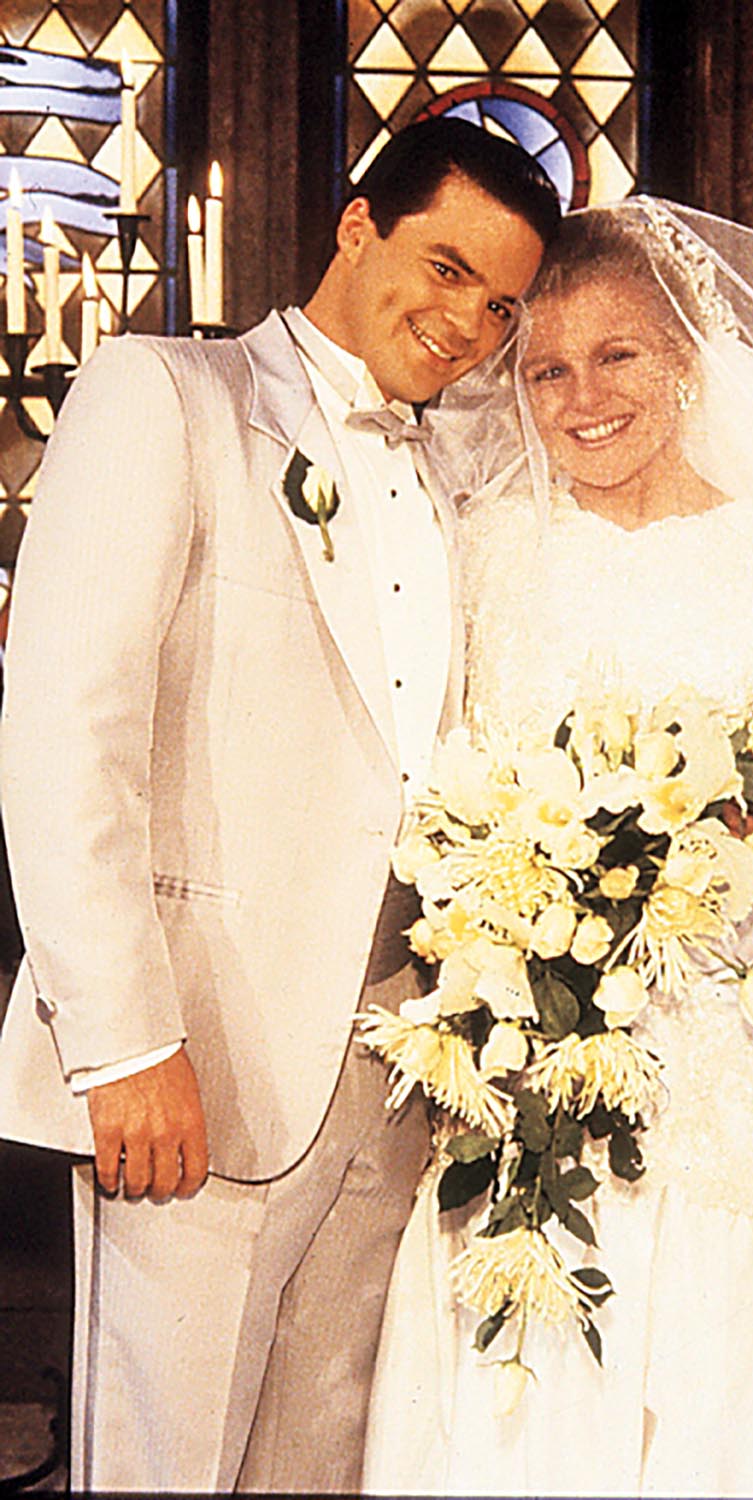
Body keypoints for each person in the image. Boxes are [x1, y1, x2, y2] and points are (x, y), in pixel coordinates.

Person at [363, 202, 753, 1497]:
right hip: (517, 1068)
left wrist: (672, 916)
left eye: (620, 357)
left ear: (693, 359)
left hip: (716, 1067)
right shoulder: (483, 550)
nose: (582, 399)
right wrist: (507, 921)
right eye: (547, 369)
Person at [0, 117, 557, 1494]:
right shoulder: (165, 398)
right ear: (357, 227)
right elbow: (67, 735)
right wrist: (123, 1042)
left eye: (500, 306)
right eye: (446, 269)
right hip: (203, 1057)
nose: (467, 324)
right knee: (168, 1462)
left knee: (323, 1462)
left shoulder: (468, 474)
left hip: (406, 1068)